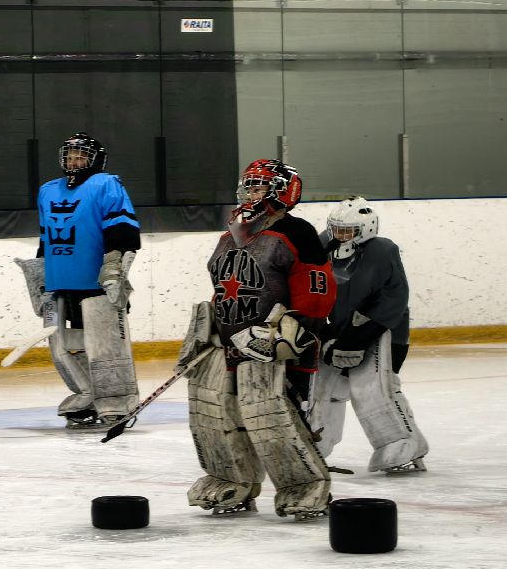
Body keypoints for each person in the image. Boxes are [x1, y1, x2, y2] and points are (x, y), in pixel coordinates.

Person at [178, 158, 337, 518]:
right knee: (212, 412)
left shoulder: (298, 232)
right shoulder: (229, 235)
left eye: (259, 185)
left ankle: (305, 486)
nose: (250, 192)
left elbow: (317, 291)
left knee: (271, 416)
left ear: (282, 191)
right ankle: (231, 481)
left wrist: (294, 332)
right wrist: (209, 330)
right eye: (247, 185)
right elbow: (223, 291)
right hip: (228, 345)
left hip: (277, 347)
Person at [16, 132, 141, 428]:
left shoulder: (106, 184)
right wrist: (40, 276)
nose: (74, 161)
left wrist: (114, 267)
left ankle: (117, 401)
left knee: (104, 346)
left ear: (95, 160)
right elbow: (45, 237)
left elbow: (122, 230)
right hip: (59, 284)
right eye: (70, 155)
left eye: (81, 156)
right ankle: (86, 394)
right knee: (61, 348)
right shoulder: (48, 190)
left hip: (96, 283)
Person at [309, 196, 429, 473]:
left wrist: (359, 336)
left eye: (346, 231)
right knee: (322, 387)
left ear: (366, 229)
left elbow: (394, 299)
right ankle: (314, 445)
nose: (339, 236)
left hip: (381, 333)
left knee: (373, 388)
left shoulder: (382, 251)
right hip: (335, 333)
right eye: (335, 229)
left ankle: (402, 446)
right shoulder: (323, 244)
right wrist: (323, 330)